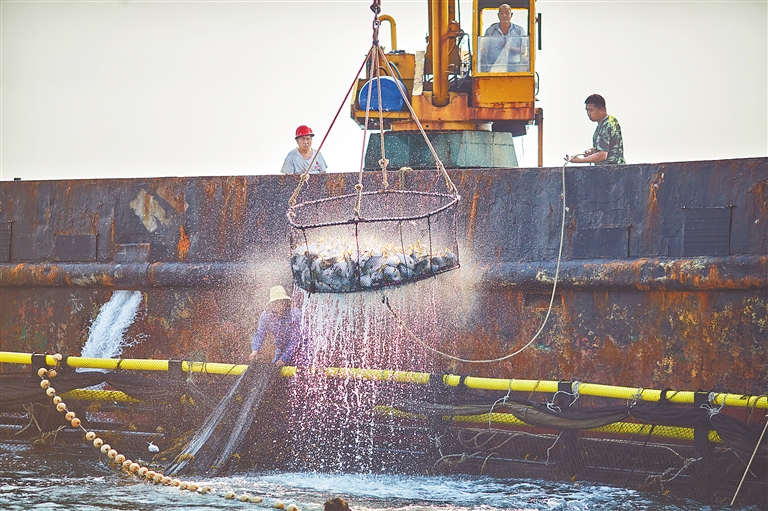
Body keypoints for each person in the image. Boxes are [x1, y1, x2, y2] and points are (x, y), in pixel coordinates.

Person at [249, 285, 302, 367]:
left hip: (300, 350)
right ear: (271, 303)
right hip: (281, 349)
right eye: (276, 302)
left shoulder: (294, 314)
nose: (279, 304)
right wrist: (255, 350)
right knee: (274, 368)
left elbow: (295, 339)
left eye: (281, 301)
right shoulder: (266, 315)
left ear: (286, 302)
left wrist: (284, 359)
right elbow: (260, 334)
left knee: (300, 371)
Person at [566, 94, 625, 165]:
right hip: (619, 167)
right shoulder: (611, 120)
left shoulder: (605, 125)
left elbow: (602, 155)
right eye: (587, 110)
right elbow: (609, 146)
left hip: (609, 169)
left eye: (591, 110)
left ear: (602, 110)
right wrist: (592, 151)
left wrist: (579, 160)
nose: (588, 113)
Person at [481, 4, 527, 72]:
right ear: (498, 15)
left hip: (514, 68)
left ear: (511, 15)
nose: (504, 15)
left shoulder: (519, 30)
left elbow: (523, 51)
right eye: (502, 13)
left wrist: (509, 47)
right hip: (493, 67)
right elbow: (484, 50)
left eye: (507, 13)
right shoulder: (490, 31)